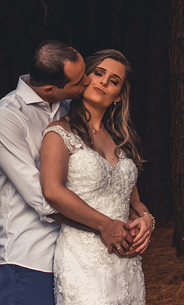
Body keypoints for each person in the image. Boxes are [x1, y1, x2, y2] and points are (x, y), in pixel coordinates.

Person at [0, 41, 135, 305]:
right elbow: (42, 197)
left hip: (73, 251)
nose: (89, 82)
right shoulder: (5, 118)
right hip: (29, 251)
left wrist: (139, 219)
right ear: (50, 89)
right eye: (80, 82)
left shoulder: (68, 109)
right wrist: (103, 226)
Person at [40, 49, 153, 305]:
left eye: (114, 81)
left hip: (126, 262)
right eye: (99, 73)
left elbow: (134, 202)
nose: (104, 82)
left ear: (118, 96)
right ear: (84, 79)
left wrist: (147, 220)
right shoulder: (59, 133)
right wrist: (105, 224)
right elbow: (52, 191)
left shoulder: (122, 142)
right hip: (83, 257)